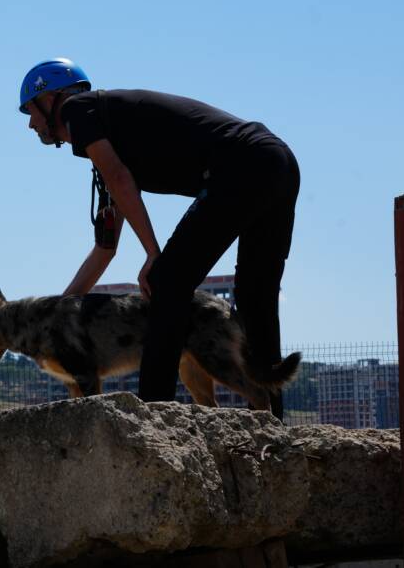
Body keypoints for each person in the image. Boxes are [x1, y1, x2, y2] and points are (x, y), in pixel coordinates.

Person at [18, 58, 300, 418]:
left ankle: (154, 417)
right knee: (254, 297)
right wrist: (60, 309)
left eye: (31, 110)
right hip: (277, 161)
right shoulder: (105, 138)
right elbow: (106, 249)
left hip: (242, 164)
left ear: (53, 98)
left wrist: (154, 255)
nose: (30, 123)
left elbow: (122, 180)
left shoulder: (78, 108)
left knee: (166, 281)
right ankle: (270, 421)